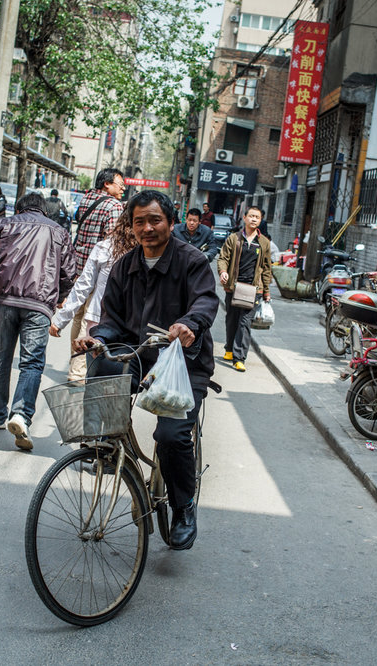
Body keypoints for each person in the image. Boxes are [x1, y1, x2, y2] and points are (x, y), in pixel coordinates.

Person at [74, 190, 218, 551]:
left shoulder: (192, 261)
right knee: (103, 360)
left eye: (155, 220)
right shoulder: (125, 267)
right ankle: (104, 442)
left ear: (171, 222)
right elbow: (112, 319)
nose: (147, 228)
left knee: (170, 437)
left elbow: (205, 301)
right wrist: (97, 338)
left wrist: (189, 324)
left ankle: (183, 506)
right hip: (139, 355)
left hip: (182, 364)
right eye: (139, 221)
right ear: (131, 226)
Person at [0, 192, 76, 450]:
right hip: (40, 305)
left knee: (0, 358)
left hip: (5, 301)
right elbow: (69, 272)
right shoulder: (59, 232)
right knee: (32, 363)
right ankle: (21, 414)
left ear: (20, 209)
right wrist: (60, 297)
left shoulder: (3, 224)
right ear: (44, 210)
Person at [66, 168, 126, 381]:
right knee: (89, 322)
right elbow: (113, 240)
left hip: (79, 267)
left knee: (78, 318)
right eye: (120, 184)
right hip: (98, 270)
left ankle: (74, 365)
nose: (123, 188)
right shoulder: (113, 206)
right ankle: (78, 373)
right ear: (107, 184)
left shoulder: (86, 200)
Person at [49, 212, 138, 348]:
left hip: (100, 320)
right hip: (126, 324)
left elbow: (84, 285)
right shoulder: (147, 253)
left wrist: (60, 321)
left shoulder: (106, 247)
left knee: (92, 364)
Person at [216, 205, 272, 372]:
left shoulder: (264, 243)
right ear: (245, 218)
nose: (254, 219)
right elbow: (223, 258)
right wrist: (223, 271)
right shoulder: (234, 238)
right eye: (251, 216)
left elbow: (267, 268)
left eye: (257, 217)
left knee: (245, 322)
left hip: (253, 289)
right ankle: (229, 348)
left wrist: (267, 290)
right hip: (233, 286)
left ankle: (239, 357)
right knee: (232, 319)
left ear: (260, 221)